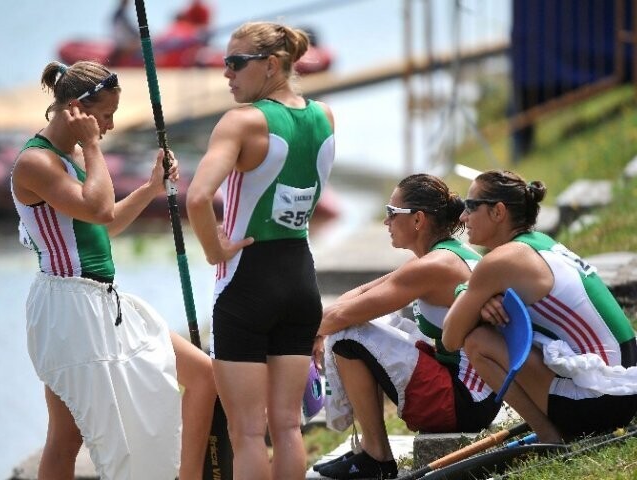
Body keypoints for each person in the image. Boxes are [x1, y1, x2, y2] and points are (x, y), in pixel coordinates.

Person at [10, 60, 216, 480]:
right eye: (105, 116)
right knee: (66, 438)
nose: (110, 125)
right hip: (68, 307)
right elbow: (100, 207)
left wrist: (151, 187)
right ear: (76, 109)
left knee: (203, 376)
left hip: (105, 299)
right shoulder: (37, 162)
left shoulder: (72, 158)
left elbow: (107, 223)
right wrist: (93, 146)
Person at [186, 21, 335, 480]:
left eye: (235, 63)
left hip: (246, 281)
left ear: (271, 65)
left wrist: (215, 251)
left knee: (248, 432)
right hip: (300, 278)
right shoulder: (324, 115)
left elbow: (196, 198)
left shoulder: (242, 121)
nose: (226, 74)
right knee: (289, 425)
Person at [312, 174, 501, 480]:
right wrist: (325, 325)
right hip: (477, 395)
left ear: (417, 220)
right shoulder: (443, 256)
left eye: (391, 213)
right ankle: (368, 450)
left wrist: (304, 336)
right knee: (355, 324)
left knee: (347, 335)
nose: (386, 221)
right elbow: (354, 297)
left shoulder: (435, 266)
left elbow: (343, 315)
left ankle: (376, 457)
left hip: (463, 402)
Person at [442, 169, 637, 444]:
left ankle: (549, 436)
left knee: (477, 341)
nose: (463, 217)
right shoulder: (540, 243)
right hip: (625, 386)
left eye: (470, 206)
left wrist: (470, 293)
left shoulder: (501, 260)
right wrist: (477, 296)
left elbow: (450, 338)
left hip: (602, 401)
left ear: (498, 212)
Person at [109, 0, 140, 65]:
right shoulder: (122, 15)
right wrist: (139, 35)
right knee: (144, 44)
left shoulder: (116, 14)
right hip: (125, 43)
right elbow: (130, 29)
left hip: (119, 43)